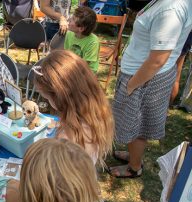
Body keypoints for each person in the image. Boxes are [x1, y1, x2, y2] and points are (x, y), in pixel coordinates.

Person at [109, 0, 192, 178]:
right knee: (134, 124)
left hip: (143, 78)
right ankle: (133, 157)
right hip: (141, 74)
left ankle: (134, 167)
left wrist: (131, 85)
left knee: (136, 127)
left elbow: (157, 60)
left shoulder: (171, 9)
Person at [33, 49, 114, 166]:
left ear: (60, 99)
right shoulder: (96, 112)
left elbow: (58, 179)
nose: (49, 102)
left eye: (47, 98)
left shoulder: (67, 140)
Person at [64, 6, 99, 73]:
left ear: (81, 29)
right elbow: (66, 54)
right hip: (72, 68)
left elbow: (85, 65)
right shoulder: (69, 34)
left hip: (86, 73)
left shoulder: (93, 42)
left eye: (73, 19)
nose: (69, 19)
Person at [170, 30, 192, 105]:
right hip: (186, 39)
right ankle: (165, 108)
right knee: (176, 77)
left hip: (181, 36)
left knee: (174, 77)